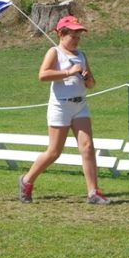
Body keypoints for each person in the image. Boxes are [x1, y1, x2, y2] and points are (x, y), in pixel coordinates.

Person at [18, 16, 110, 205]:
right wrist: (68, 72)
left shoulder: (82, 55)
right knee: (54, 151)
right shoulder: (54, 52)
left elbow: (92, 83)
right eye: (73, 36)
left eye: (79, 37)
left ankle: (93, 192)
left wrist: (87, 79)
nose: (76, 40)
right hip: (60, 106)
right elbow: (43, 75)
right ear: (61, 34)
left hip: (80, 105)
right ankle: (27, 181)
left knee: (87, 147)